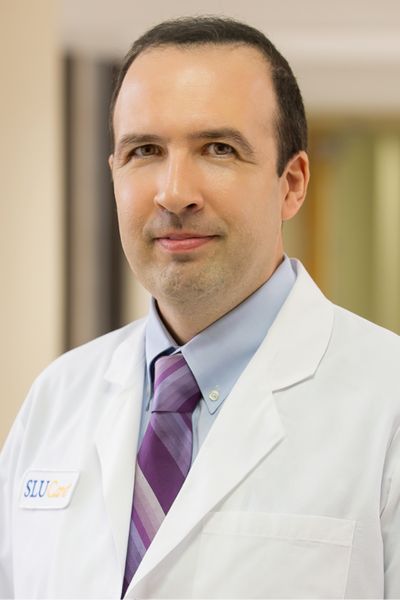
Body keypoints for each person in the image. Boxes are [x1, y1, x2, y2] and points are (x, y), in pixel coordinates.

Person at [1, 16, 400, 600]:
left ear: (291, 183)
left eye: (219, 149)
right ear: (114, 175)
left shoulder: (387, 400)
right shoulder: (57, 398)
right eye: (144, 151)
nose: (174, 192)